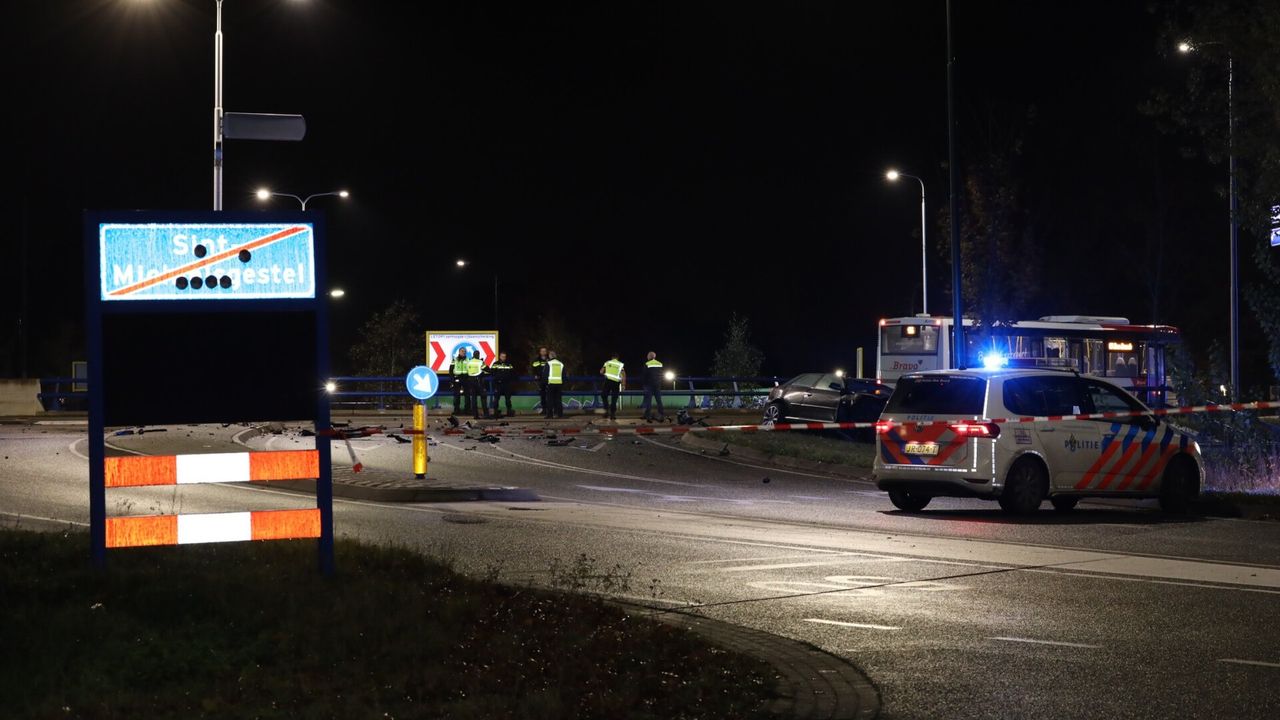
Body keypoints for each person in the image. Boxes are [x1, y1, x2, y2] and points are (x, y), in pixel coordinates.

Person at [598, 352, 626, 421]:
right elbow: (624, 375)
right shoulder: (620, 364)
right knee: (614, 398)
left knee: (604, 396)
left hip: (607, 382)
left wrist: (606, 373)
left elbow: (601, 371)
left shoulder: (607, 363)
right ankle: (612, 414)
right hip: (616, 383)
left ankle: (606, 411)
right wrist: (623, 385)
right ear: (617, 358)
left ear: (612, 357)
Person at [640, 351, 667, 422]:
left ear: (649, 356)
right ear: (654, 357)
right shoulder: (660, 364)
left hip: (649, 385)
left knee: (648, 401)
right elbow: (662, 374)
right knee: (659, 400)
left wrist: (644, 384)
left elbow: (644, 375)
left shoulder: (647, 364)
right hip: (657, 385)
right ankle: (661, 415)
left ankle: (648, 416)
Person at [488, 351, 516, 418]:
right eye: (502, 356)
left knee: (508, 399)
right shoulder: (496, 364)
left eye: (504, 357)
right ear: (500, 357)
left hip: (507, 384)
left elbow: (513, 373)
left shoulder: (509, 364)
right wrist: (497, 379)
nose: (503, 358)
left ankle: (509, 411)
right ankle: (495, 412)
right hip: (498, 384)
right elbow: (492, 373)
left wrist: (511, 381)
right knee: (496, 399)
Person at [466, 349, 489, 419]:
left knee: (473, 398)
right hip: (478, 381)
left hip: (470, 381)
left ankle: (475, 415)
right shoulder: (480, 362)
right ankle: (486, 414)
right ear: (478, 355)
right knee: (483, 397)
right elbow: (487, 369)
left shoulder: (469, 362)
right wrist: (483, 362)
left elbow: (467, 370)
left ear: (473, 355)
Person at [531, 347, 551, 417]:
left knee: (550, 395)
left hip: (549, 380)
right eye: (542, 351)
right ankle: (544, 409)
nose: (543, 352)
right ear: (540, 352)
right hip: (541, 380)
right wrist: (535, 375)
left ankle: (550, 410)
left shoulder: (549, 359)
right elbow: (534, 369)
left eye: (545, 351)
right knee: (543, 395)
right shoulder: (537, 360)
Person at [450, 348, 470, 416]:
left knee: (467, 396)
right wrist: (452, 379)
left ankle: (467, 410)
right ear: (459, 352)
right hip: (457, 379)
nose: (463, 352)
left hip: (466, 379)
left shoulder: (468, 359)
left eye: (465, 351)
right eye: (462, 351)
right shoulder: (454, 359)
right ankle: (456, 410)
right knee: (456, 396)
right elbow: (451, 370)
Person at [546, 350, 565, 418]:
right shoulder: (561, 364)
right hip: (559, 384)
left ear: (550, 356)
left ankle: (550, 415)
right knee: (558, 400)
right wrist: (563, 383)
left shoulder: (549, 363)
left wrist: (544, 383)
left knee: (550, 400)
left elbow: (545, 374)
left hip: (551, 383)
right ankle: (560, 414)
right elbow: (564, 375)